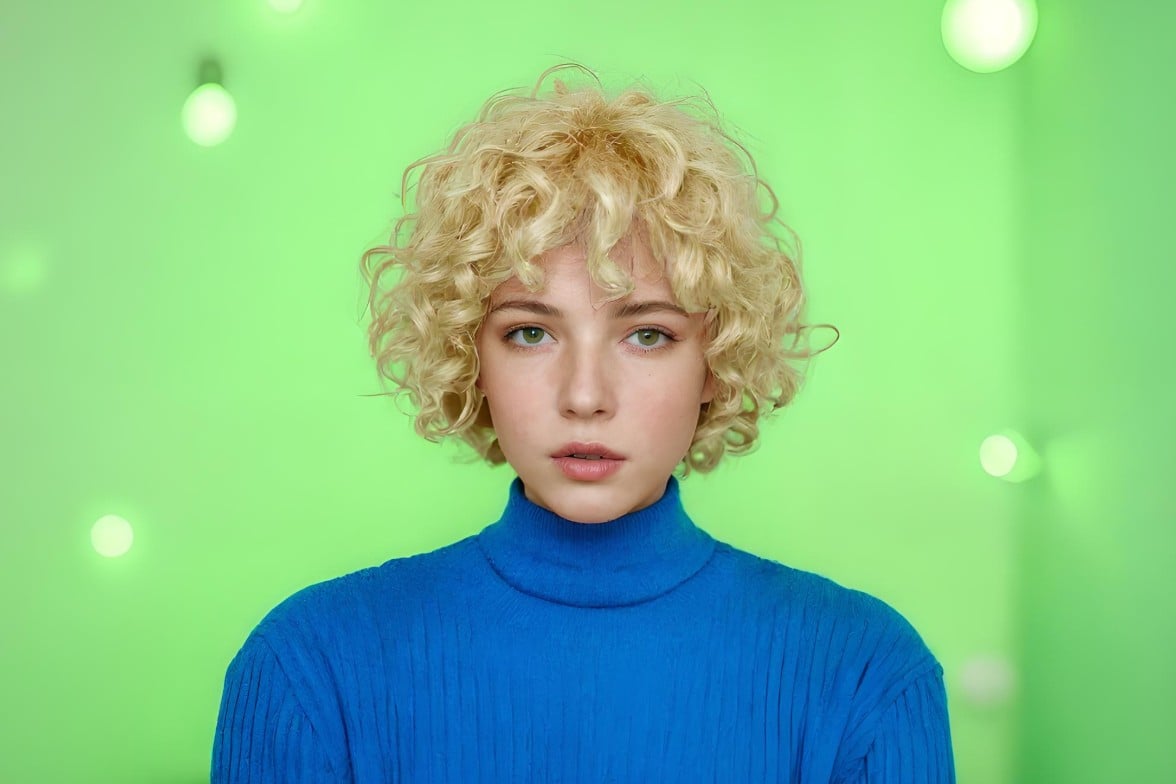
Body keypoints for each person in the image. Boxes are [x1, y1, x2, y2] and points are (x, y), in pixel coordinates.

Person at [211, 63, 955, 782]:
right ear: (470, 353)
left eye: (649, 334)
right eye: (531, 332)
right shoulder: (308, 669)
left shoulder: (865, 674)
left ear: (716, 360)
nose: (585, 395)